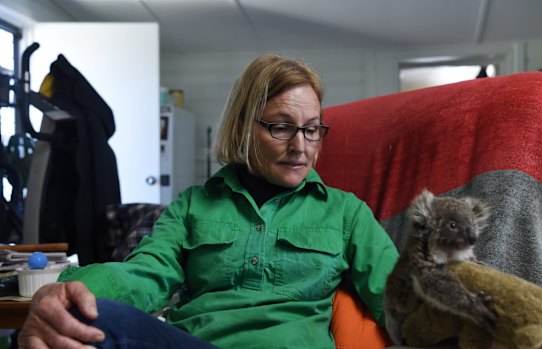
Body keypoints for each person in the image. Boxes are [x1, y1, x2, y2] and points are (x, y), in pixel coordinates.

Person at [17, 54, 399, 349]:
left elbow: (401, 298)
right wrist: (65, 288)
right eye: (281, 127)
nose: (301, 146)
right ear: (242, 128)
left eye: (312, 129)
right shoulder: (192, 206)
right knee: (84, 316)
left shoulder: (346, 212)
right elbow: (145, 273)